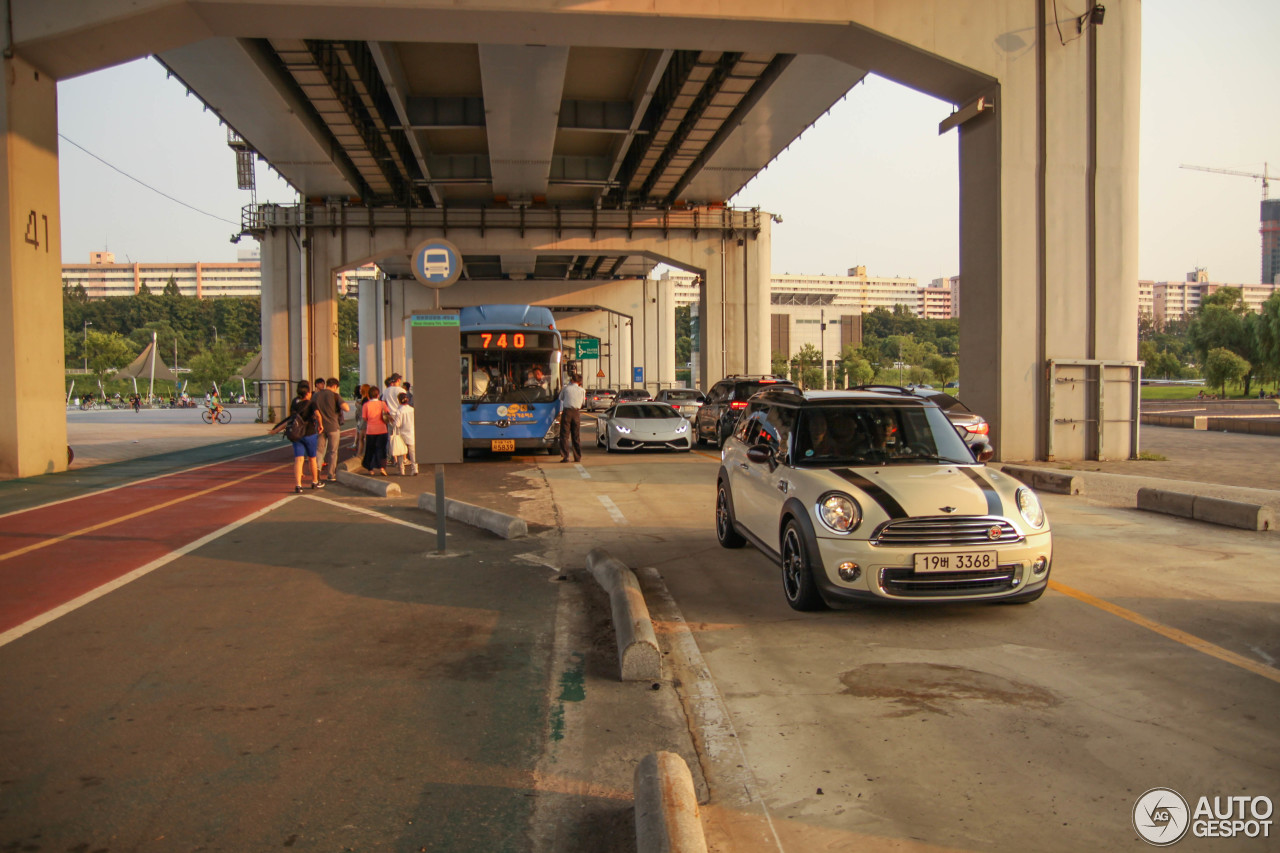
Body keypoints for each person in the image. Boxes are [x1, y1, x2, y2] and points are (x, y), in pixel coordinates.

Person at [269, 379, 325, 493]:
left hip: (297, 434)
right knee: (312, 459)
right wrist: (321, 425)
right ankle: (314, 482)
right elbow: (318, 415)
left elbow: (290, 419)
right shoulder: (311, 403)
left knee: (298, 460)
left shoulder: (295, 403)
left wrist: (277, 429)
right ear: (308, 393)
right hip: (309, 433)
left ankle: (298, 485)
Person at [312, 376, 348, 482]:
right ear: (335, 386)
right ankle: (331, 474)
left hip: (319, 427)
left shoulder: (316, 395)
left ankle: (317, 471)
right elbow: (346, 408)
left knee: (319, 451)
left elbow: (312, 410)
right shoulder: (335, 395)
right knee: (332, 452)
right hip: (333, 427)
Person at [361, 386, 391, 475]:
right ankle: (382, 468)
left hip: (370, 430)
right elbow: (387, 414)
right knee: (381, 449)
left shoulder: (366, 405)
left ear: (369, 395)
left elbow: (364, 418)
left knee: (370, 449)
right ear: (378, 395)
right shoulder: (382, 404)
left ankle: (370, 469)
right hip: (382, 429)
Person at [559, 373, 585, 462]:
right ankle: (577, 457)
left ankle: (565, 456)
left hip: (567, 412)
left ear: (572, 380)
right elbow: (582, 403)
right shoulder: (582, 390)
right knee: (576, 435)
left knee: (564, 435)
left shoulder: (566, 388)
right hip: (576, 412)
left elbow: (561, 398)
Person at [395, 392, 418, 476]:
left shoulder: (399, 411)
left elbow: (397, 424)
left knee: (401, 452)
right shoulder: (412, 409)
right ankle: (415, 469)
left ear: (399, 401)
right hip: (412, 433)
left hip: (402, 434)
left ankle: (402, 470)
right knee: (413, 453)